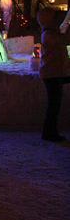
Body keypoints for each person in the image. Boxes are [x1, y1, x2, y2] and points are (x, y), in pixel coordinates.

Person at [38, 8, 70, 142]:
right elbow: (62, 41)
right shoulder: (49, 34)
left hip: (55, 72)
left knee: (54, 104)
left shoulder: (51, 33)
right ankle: (49, 133)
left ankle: (50, 132)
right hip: (52, 74)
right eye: (55, 17)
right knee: (54, 104)